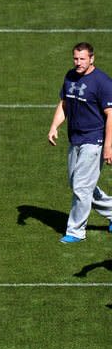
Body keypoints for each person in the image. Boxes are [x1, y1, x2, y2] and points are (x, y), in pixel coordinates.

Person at [48, 42, 112, 243]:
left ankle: (76, 231)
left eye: (82, 58)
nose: (78, 62)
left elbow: (111, 115)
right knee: (79, 184)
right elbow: (64, 103)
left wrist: (108, 146)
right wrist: (54, 126)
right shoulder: (70, 76)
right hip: (75, 138)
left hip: (94, 139)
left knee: (82, 187)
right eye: (76, 58)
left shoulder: (102, 82)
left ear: (92, 58)